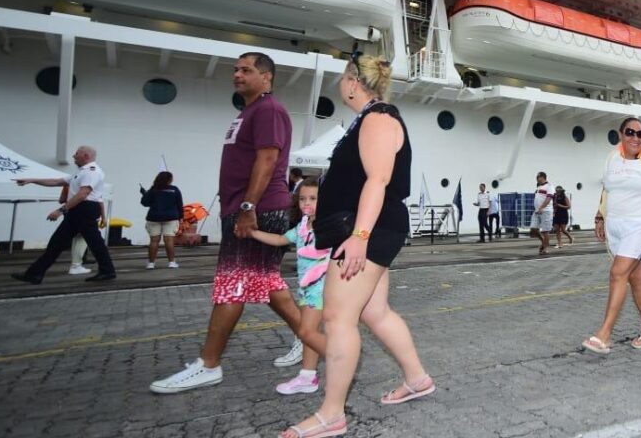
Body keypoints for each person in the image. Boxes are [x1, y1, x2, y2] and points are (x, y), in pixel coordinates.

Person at [280, 53, 434, 438]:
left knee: (336, 317)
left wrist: (359, 238)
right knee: (374, 311)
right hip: (370, 228)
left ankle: (332, 414)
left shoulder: (379, 119)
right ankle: (416, 379)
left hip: (370, 230)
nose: (340, 83)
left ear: (352, 80)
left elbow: (378, 180)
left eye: (342, 77)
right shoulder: (368, 119)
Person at [150, 53, 306, 394]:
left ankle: (209, 364)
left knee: (232, 284)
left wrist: (247, 207)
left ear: (266, 78)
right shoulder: (248, 111)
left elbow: (268, 159)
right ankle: (312, 341)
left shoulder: (268, 110)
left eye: (246, 70)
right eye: (235, 69)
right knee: (266, 283)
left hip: (258, 210)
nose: (237, 74)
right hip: (247, 208)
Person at [583, 117, 641, 354]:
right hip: (617, 226)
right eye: (630, 132)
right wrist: (600, 216)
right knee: (636, 278)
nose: (635, 138)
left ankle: (604, 335)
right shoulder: (612, 158)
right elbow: (607, 189)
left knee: (618, 273)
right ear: (621, 134)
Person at [249, 179, 329, 395]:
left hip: (320, 286)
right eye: (302, 198)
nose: (306, 203)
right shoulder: (303, 225)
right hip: (305, 287)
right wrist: (253, 233)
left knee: (306, 331)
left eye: (313, 198)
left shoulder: (327, 226)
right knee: (310, 332)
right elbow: (280, 239)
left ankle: (343, 360)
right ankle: (307, 376)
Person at [11, 146, 118, 284]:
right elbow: (57, 182)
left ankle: (35, 274)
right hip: (79, 210)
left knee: (87, 242)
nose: (73, 156)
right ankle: (35, 274)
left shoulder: (92, 172)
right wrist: (32, 180)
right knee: (65, 242)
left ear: (85, 156)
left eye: (76, 154)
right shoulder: (80, 172)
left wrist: (60, 210)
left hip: (84, 209)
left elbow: (82, 194)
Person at [140, 171, 185, 269]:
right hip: (170, 218)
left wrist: (144, 193)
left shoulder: (153, 189)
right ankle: (172, 262)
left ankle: (151, 263)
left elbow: (145, 202)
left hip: (154, 217)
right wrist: (181, 217)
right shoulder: (175, 190)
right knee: (169, 240)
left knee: (154, 241)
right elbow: (179, 205)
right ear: (169, 180)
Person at [531, 171, 554, 255]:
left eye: (538, 177)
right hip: (537, 211)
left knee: (545, 231)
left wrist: (542, 207)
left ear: (543, 177)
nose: (536, 179)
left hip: (546, 211)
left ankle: (545, 248)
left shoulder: (549, 186)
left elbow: (548, 198)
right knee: (533, 229)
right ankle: (543, 242)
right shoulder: (539, 187)